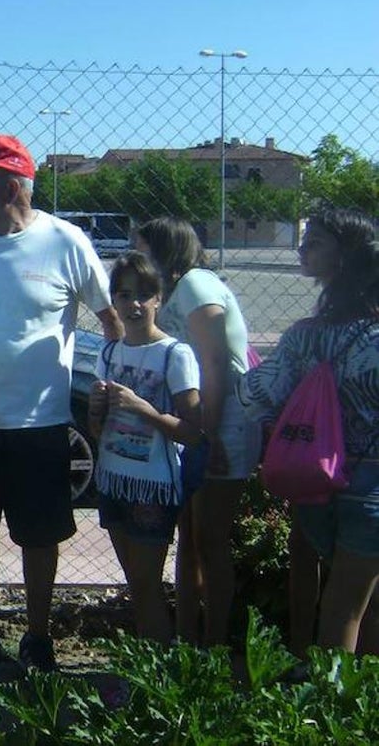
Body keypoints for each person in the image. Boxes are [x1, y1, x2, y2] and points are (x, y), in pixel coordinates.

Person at [0, 133, 121, 685]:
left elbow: (110, 322)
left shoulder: (66, 242)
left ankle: (37, 639)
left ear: (12, 185)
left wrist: (110, 383)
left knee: (40, 537)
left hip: (40, 424)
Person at [237, 207, 379, 654]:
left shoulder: (304, 337)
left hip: (315, 483)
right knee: (350, 605)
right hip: (371, 486)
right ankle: (335, 712)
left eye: (313, 241)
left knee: (350, 598)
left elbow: (254, 394)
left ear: (343, 258)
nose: (301, 248)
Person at [135, 216, 257, 648]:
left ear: (165, 251)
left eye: (142, 247)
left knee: (210, 539)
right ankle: (189, 639)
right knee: (190, 537)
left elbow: (216, 363)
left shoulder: (196, 284)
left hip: (224, 423)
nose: (135, 256)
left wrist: (210, 435)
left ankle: (217, 642)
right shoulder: (180, 290)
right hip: (202, 425)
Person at [88, 252, 202, 644]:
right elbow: (98, 428)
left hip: (151, 486)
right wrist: (96, 409)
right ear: (113, 301)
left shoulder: (175, 355)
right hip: (114, 481)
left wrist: (145, 409)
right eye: (123, 295)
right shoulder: (109, 353)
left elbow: (192, 431)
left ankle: (160, 668)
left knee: (146, 582)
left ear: (158, 299)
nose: (133, 305)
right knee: (134, 584)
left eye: (143, 295)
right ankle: (145, 666)